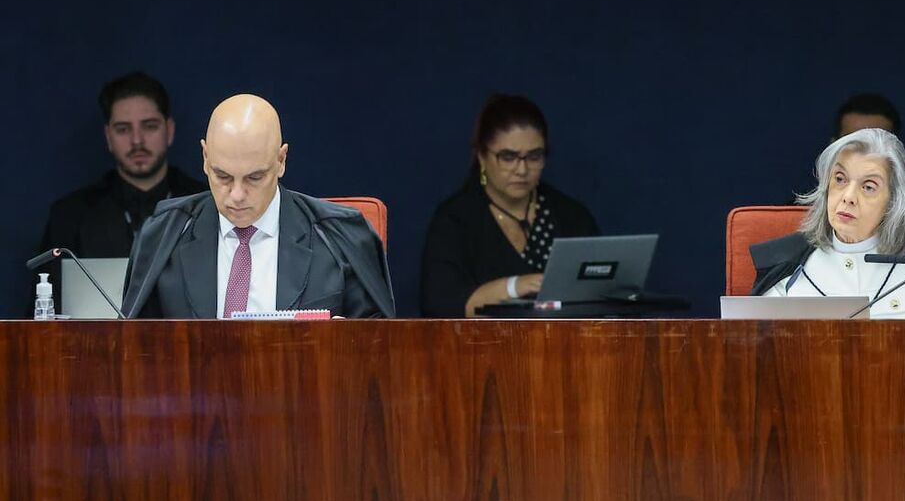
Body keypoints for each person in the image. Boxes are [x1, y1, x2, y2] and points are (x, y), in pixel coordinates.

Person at [121, 94, 395, 319]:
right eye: (222, 176)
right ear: (205, 158)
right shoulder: (164, 235)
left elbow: (383, 355)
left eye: (254, 177)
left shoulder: (342, 237)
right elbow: (132, 354)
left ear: (281, 160)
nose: (237, 195)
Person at [753, 128, 905, 318]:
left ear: (893, 202)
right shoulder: (786, 266)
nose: (848, 196)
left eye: (868, 187)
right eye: (840, 179)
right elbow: (755, 354)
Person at [36, 72, 205, 310]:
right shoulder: (69, 216)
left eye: (149, 126)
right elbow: (42, 321)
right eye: (123, 129)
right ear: (108, 137)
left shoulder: (206, 207)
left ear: (170, 130)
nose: (137, 140)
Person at [420, 94, 598, 317]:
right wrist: (514, 286)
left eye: (534, 157)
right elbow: (439, 307)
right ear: (482, 157)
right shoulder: (455, 221)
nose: (522, 170)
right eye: (508, 157)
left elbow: (600, 298)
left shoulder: (571, 216)